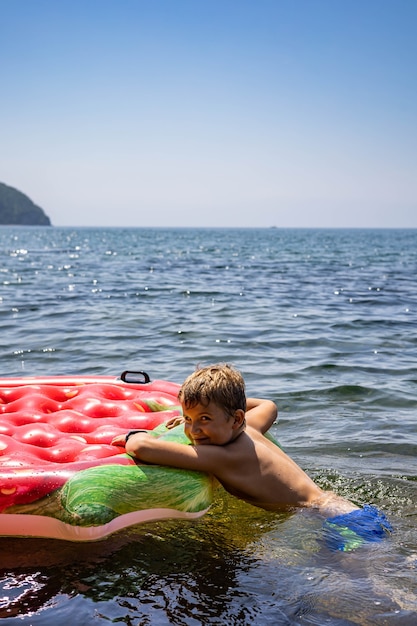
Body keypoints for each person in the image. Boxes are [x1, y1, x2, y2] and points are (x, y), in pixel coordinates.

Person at [112, 363, 392, 550]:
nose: (194, 430)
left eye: (205, 419)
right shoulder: (250, 428)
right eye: (188, 419)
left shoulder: (222, 455)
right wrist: (212, 412)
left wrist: (131, 436)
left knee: (372, 590)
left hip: (334, 522)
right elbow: (269, 404)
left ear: (235, 419)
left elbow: (142, 448)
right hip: (347, 510)